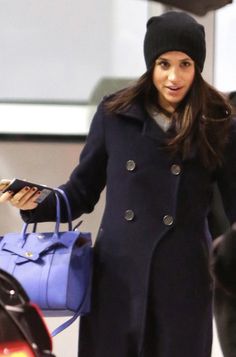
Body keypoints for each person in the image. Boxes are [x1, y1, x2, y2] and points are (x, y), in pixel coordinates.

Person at [0, 11, 235, 357]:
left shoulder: (218, 122)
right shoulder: (115, 115)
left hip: (183, 281)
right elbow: (80, 192)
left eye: (185, 64)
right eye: (164, 63)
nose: (174, 76)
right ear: (150, 65)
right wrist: (34, 203)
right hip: (118, 277)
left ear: (197, 66)